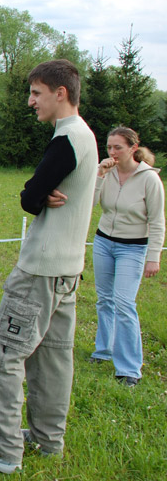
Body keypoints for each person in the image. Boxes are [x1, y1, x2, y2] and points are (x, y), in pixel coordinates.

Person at [0, 59, 98, 474]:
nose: (30, 101)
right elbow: (44, 191)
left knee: (5, 356)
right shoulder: (87, 136)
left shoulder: (65, 140)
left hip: (39, 272)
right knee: (54, 358)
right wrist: (41, 193)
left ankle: (3, 450)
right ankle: (46, 438)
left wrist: (36, 194)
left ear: (61, 93)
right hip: (68, 270)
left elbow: (30, 195)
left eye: (37, 93)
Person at [89, 127, 164, 387]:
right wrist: (99, 175)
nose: (112, 152)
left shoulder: (149, 179)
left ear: (133, 148)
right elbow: (90, 204)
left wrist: (153, 256)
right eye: (109, 147)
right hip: (103, 243)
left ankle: (129, 368)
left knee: (124, 303)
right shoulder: (107, 173)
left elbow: (157, 221)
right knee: (104, 299)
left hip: (133, 247)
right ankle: (103, 351)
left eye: (117, 147)